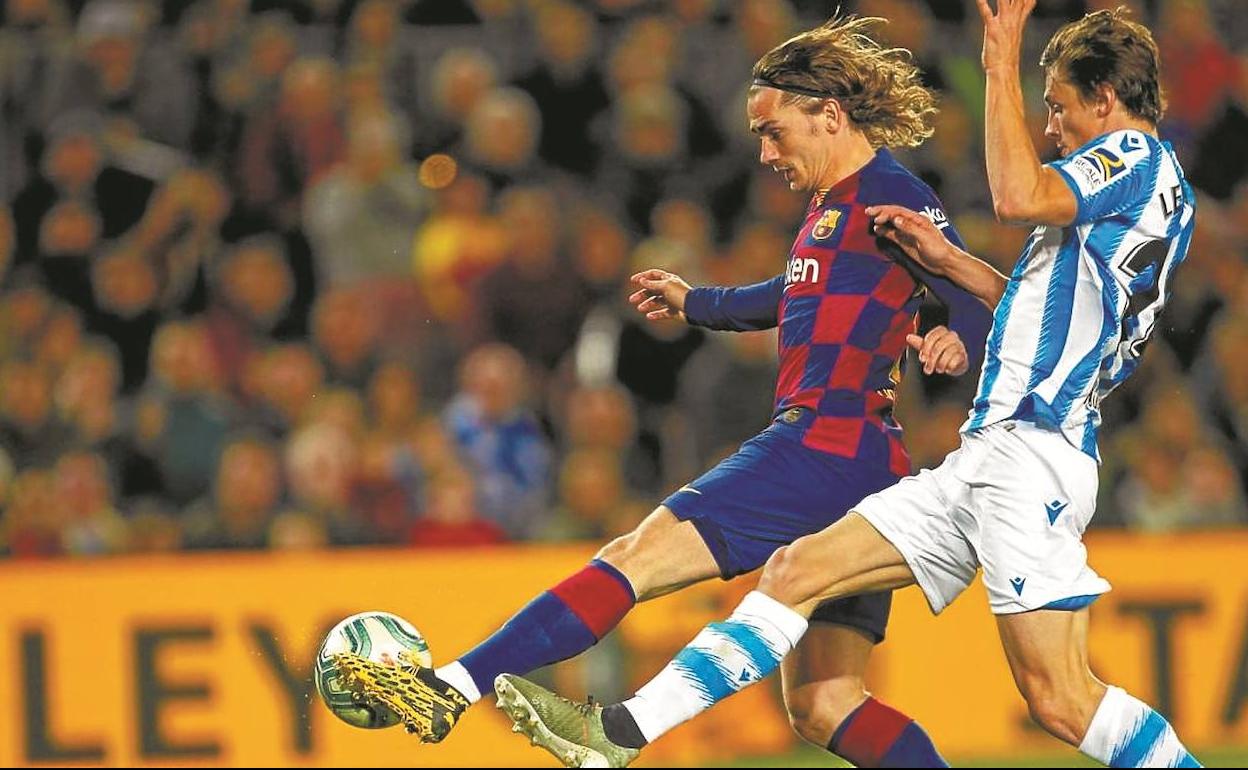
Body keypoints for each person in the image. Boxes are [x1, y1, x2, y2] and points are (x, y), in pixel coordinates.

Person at [495, 2, 1202, 768]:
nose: (1052, 130)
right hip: (987, 457)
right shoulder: (1144, 202)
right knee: (795, 571)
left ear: (1104, 99)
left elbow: (1017, 197)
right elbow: (1036, 307)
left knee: (1061, 700)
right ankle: (618, 736)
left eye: (1060, 109)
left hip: (1033, 456)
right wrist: (949, 261)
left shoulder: (1135, 155)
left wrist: (1000, 62)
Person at [335, 14, 993, 769]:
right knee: (823, 703)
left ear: (829, 114)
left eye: (774, 132)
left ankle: (451, 685)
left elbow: (967, 283)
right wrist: (696, 301)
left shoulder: (890, 193)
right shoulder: (830, 207)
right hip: (863, 460)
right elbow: (791, 294)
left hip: (824, 446)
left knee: (637, 555)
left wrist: (958, 338)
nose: (765, 152)